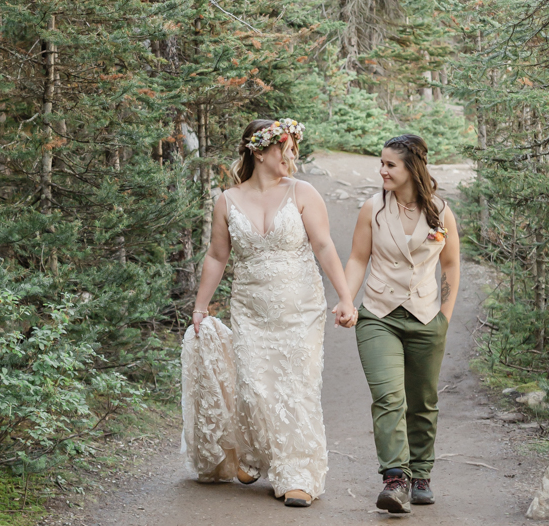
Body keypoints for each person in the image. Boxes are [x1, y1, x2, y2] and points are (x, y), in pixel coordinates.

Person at [187, 118, 357, 507]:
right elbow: (216, 255)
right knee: (253, 386)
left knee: (296, 388)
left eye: (292, 146)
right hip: (250, 308)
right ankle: (256, 453)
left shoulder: (303, 192)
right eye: (284, 146)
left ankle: (297, 474)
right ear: (259, 151)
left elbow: (325, 247)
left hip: (300, 308)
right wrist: (200, 306)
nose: (291, 154)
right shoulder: (227, 200)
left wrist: (345, 298)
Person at [343, 133, 460, 514]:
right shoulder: (371, 209)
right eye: (381, 163)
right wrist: (347, 299)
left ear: (412, 167)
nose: (382, 170)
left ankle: (421, 474)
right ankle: (396, 478)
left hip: (427, 317)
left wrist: (445, 315)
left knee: (423, 401)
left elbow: (450, 264)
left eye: (390, 164)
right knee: (389, 397)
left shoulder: (441, 212)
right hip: (378, 315)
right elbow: (359, 258)